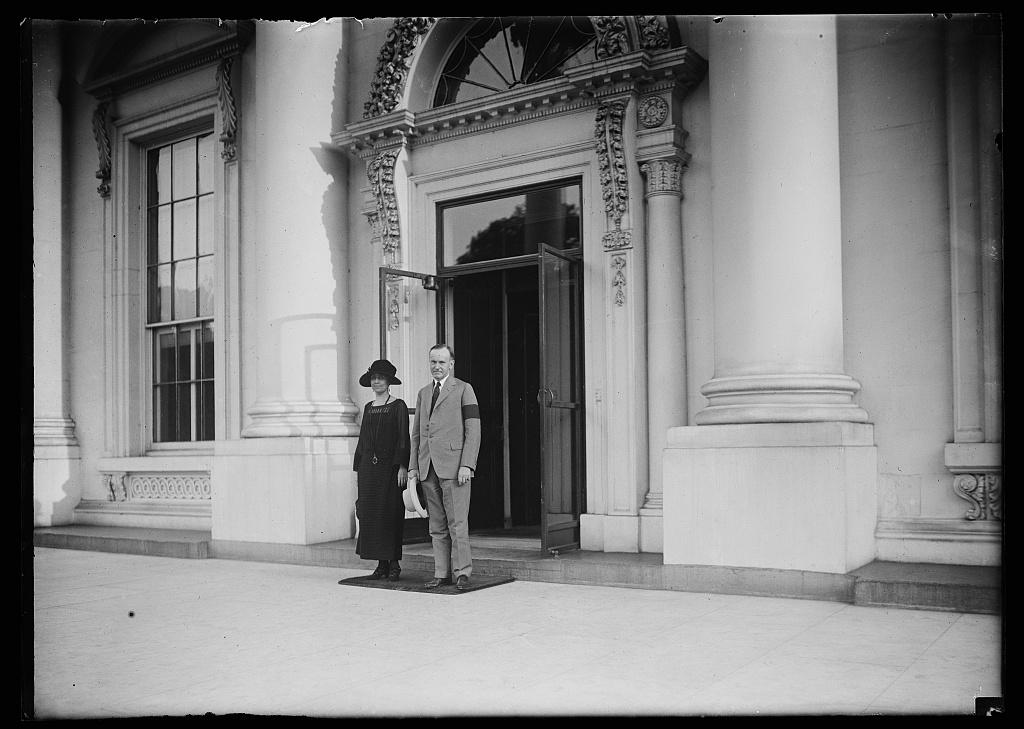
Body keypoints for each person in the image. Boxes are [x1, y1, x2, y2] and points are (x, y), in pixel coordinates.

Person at [407, 344, 481, 591]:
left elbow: (473, 430)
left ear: (451, 364)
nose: (436, 367)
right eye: (433, 362)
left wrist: (467, 464)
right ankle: (441, 573)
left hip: (454, 468)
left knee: (457, 523)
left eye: (441, 362)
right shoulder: (423, 393)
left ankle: (462, 573)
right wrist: (413, 468)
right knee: (436, 526)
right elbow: (416, 433)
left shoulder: (463, 389)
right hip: (428, 468)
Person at [346, 359, 409, 583]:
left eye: (381, 378)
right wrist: (359, 470)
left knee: (390, 514)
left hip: (390, 469)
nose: (377, 382)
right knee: (372, 516)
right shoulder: (368, 408)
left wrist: (403, 465)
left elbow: (403, 437)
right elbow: (363, 441)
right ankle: (381, 565)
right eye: (374, 378)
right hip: (369, 471)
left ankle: (394, 564)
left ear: (389, 381)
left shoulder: (398, 405)